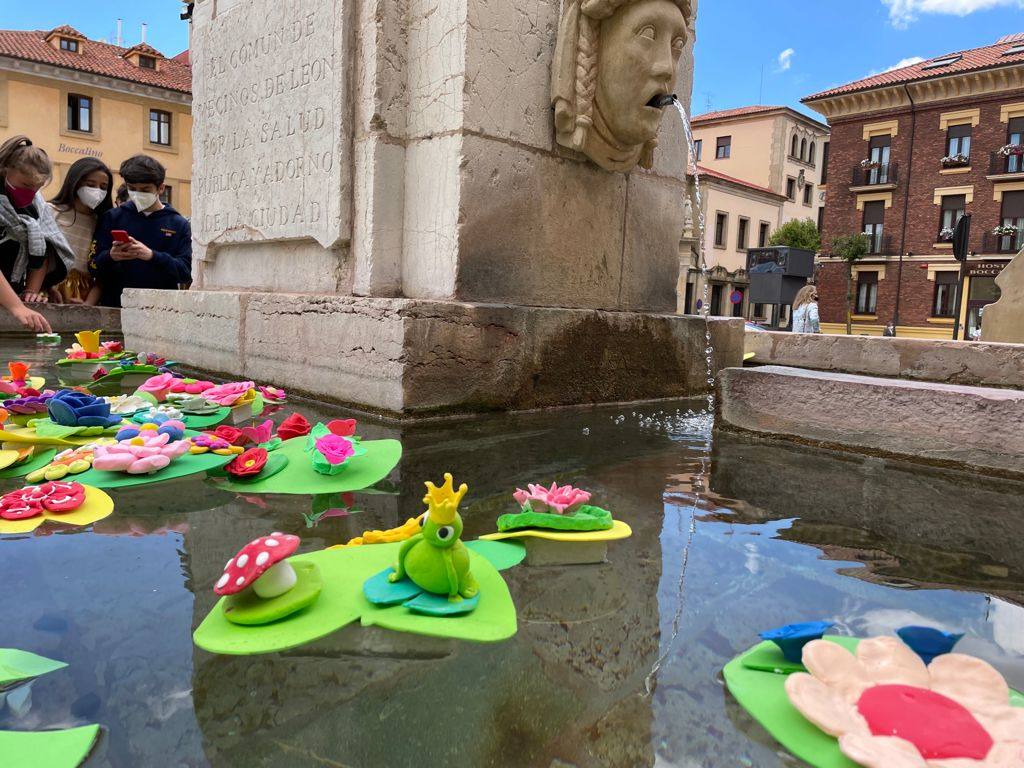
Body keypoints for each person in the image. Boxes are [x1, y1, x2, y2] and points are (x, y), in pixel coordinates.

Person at [89, 155, 191, 307]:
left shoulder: (178, 224)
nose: (137, 194)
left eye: (145, 189)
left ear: (161, 188)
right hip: (116, 307)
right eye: (132, 189)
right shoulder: (112, 217)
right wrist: (111, 256)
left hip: (162, 310)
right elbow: (92, 267)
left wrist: (151, 256)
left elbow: (185, 273)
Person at [0, 135, 76, 332]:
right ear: (5, 170)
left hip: (12, 289)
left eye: (37, 188)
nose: (31, 192)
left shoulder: (36, 204)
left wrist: (31, 292)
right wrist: (17, 307)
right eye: (26, 185)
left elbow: (43, 246)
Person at [48, 157, 113, 305]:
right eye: (91, 184)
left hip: (85, 293)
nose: (97, 191)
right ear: (75, 182)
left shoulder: (102, 222)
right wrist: (46, 286)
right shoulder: (51, 211)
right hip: (48, 287)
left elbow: (104, 271)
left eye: (103, 187)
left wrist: (89, 303)